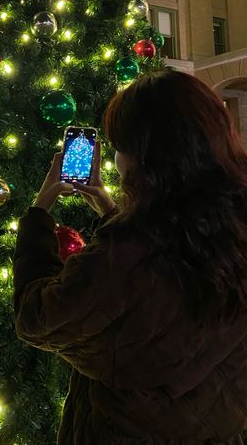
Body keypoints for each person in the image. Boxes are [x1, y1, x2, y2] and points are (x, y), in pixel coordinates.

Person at [13, 70, 247, 444]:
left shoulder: (125, 255)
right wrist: (108, 207)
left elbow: (38, 317)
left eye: (120, 147)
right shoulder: (231, 224)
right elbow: (168, 260)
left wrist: (39, 213)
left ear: (145, 156)